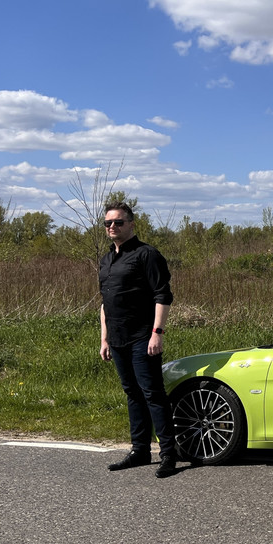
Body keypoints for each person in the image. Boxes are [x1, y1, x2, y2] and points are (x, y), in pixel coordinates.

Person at [99, 201, 177, 478]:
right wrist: (104, 339)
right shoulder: (107, 259)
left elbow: (162, 295)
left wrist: (157, 333)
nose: (112, 227)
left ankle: (169, 453)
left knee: (152, 394)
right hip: (117, 339)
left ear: (131, 224)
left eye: (118, 222)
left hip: (142, 337)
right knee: (132, 394)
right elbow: (105, 303)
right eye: (108, 223)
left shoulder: (147, 255)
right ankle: (140, 450)